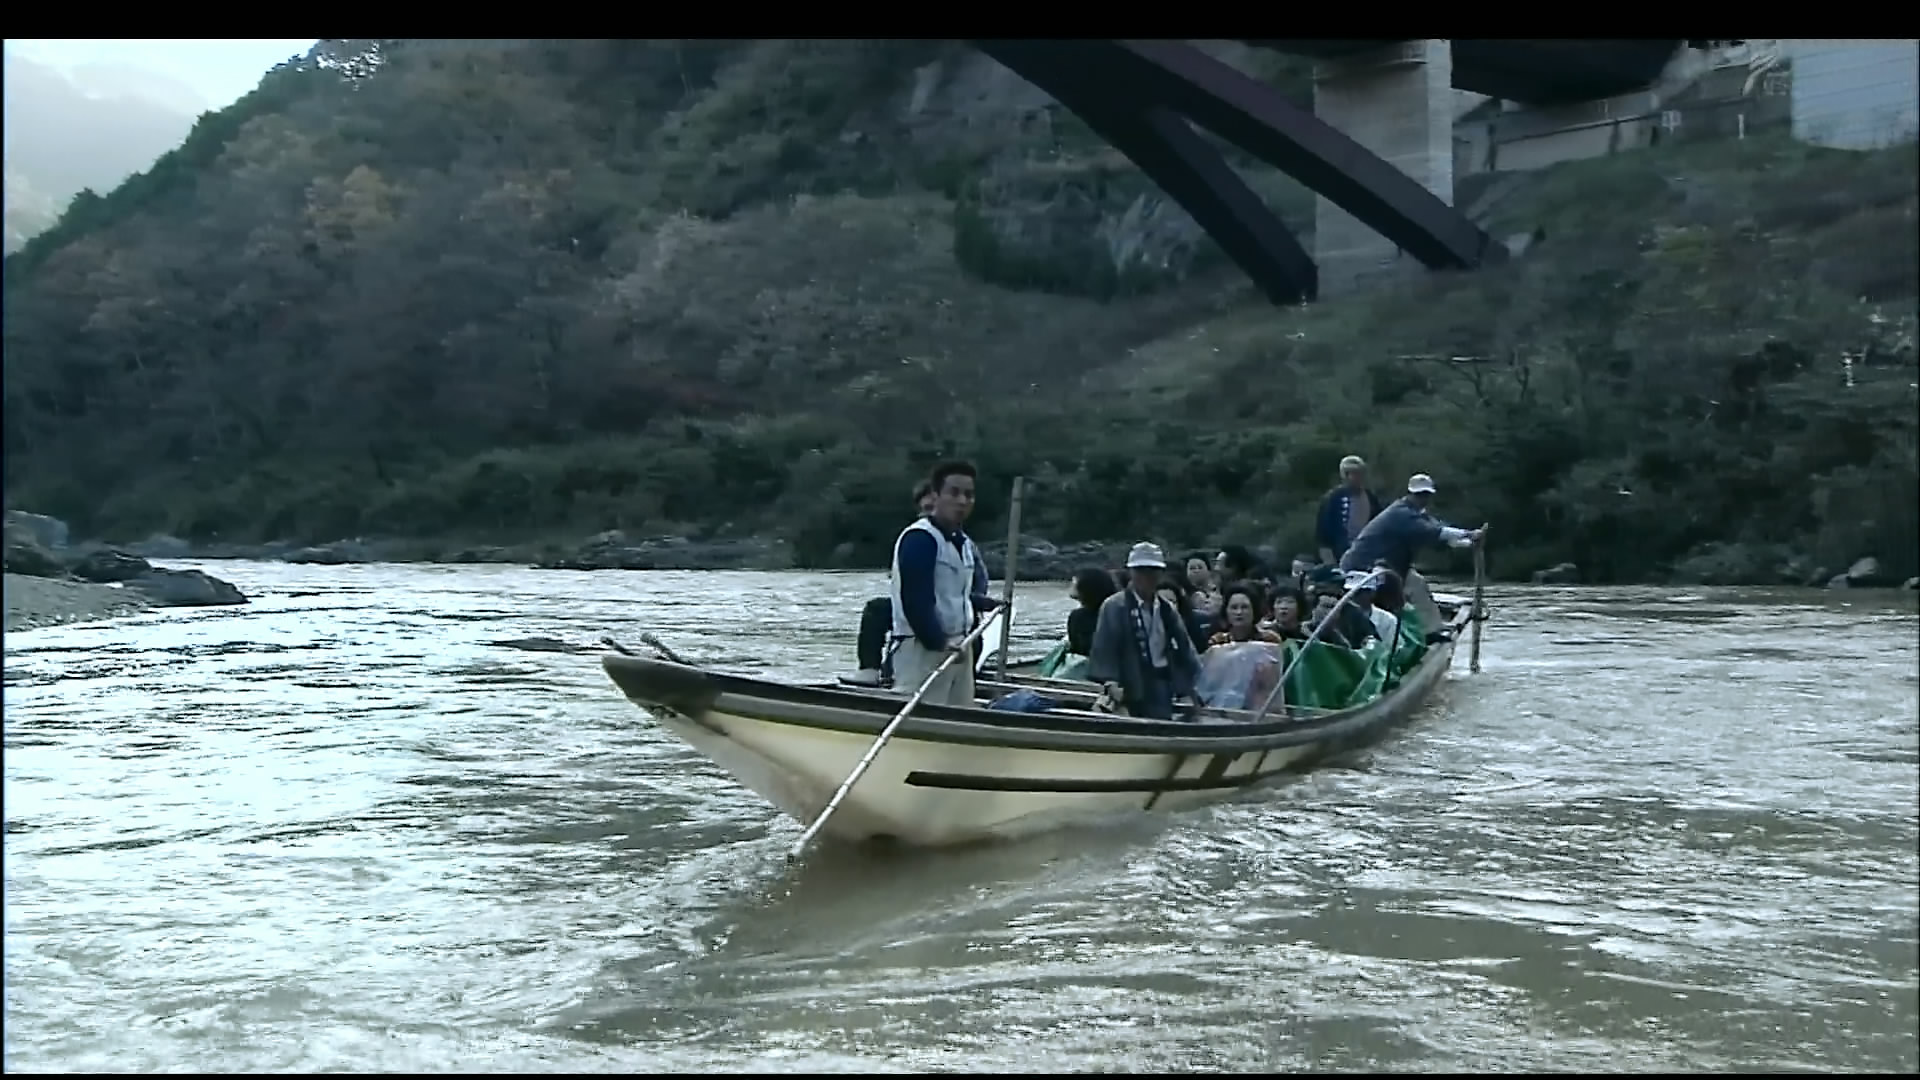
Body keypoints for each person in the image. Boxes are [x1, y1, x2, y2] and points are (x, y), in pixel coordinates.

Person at [888, 461, 993, 707]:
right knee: (922, 715)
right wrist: (938, 641)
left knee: (961, 714)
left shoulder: (964, 543)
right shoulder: (920, 539)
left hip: (960, 646)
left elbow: (956, 594)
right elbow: (915, 599)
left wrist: (984, 603)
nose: (962, 501)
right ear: (936, 496)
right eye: (954, 493)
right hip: (922, 648)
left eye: (969, 495)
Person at [1086, 542, 1202, 721]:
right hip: (1129, 681)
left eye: (1152, 571)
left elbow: (1183, 649)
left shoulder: (1167, 608)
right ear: (1131, 572)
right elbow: (1105, 648)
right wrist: (1110, 682)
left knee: (1162, 723)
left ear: (1160, 573)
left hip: (1162, 680)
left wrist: (1187, 687)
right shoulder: (1114, 606)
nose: (1147, 576)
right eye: (1141, 570)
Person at [1316, 455, 1385, 567]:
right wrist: (1329, 561)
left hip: (1366, 554)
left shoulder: (1370, 497)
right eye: (1352, 473)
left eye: (1359, 473)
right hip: (1340, 554)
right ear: (1344, 476)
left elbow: (1378, 524)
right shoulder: (1332, 498)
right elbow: (1323, 533)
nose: (1356, 477)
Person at [1209, 583, 1283, 646]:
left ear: (1254, 610)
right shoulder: (1218, 641)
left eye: (1244, 607)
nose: (1239, 612)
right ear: (1226, 611)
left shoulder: (1270, 639)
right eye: (1234, 608)